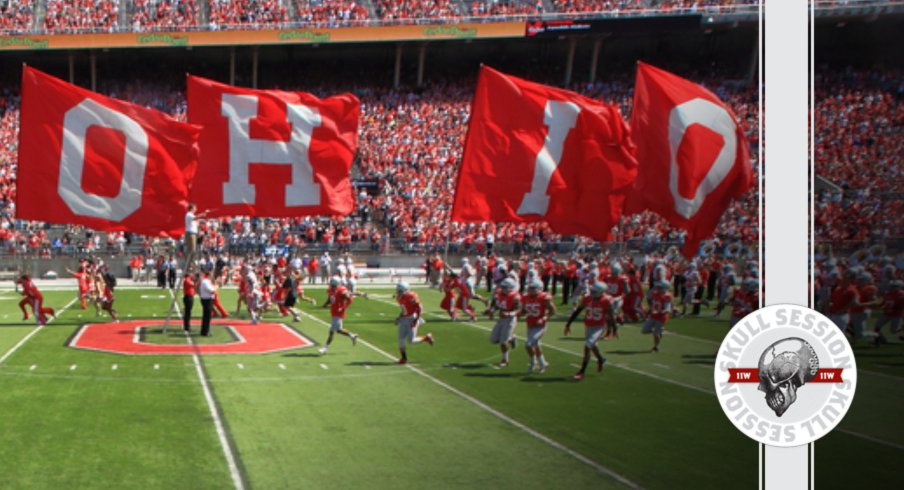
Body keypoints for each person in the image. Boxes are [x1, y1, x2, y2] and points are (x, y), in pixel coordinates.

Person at [564, 282, 615, 380]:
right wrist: (568, 324)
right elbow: (578, 311)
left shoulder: (606, 300)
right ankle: (601, 359)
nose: (592, 292)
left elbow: (611, 315)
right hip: (588, 325)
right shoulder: (587, 298)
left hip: (599, 326)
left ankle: (582, 371)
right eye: (592, 290)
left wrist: (613, 329)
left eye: (594, 291)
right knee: (593, 345)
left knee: (588, 345)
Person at [520, 279, 555, 373]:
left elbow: (553, 311)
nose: (530, 290)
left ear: (539, 288)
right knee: (536, 345)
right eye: (529, 288)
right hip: (530, 324)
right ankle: (543, 364)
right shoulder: (525, 297)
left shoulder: (543, 297)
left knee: (528, 344)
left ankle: (533, 362)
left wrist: (544, 318)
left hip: (540, 326)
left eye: (533, 288)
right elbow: (524, 311)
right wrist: (519, 314)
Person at [394, 282, 434, 364]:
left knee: (411, 341)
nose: (398, 292)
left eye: (400, 291)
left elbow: (419, 308)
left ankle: (426, 338)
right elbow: (404, 310)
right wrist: (399, 317)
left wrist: (416, 320)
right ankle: (404, 358)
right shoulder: (399, 298)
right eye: (398, 290)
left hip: (413, 318)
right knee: (400, 339)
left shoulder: (411, 296)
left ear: (405, 290)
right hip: (404, 319)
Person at [485, 278, 521, 367]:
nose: (503, 288)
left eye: (505, 287)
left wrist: (509, 313)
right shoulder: (498, 293)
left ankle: (505, 359)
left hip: (510, 319)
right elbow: (495, 304)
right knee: (493, 339)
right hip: (501, 318)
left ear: (511, 287)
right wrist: (491, 311)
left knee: (503, 342)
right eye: (503, 286)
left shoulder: (515, 296)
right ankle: (511, 338)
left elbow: (518, 309)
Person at [319, 276, 359, 355]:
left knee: (331, 332)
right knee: (339, 330)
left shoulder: (341, 290)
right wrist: (325, 304)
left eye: (334, 285)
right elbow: (330, 299)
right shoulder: (330, 290)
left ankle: (325, 348)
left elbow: (350, 299)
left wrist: (343, 307)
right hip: (334, 312)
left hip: (338, 313)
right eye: (332, 284)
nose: (332, 286)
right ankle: (352, 335)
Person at [643, 280, 673, 353]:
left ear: (665, 288)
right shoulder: (655, 293)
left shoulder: (667, 296)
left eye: (659, 287)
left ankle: (656, 347)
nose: (657, 288)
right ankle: (659, 332)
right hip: (653, 315)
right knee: (644, 330)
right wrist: (650, 309)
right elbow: (651, 300)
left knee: (656, 334)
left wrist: (660, 311)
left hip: (661, 317)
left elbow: (667, 309)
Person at [199, 270, 216, 337]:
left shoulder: (206, 281)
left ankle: (204, 330)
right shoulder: (205, 282)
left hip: (206, 299)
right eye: (211, 275)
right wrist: (215, 287)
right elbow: (212, 290)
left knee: (206, 316)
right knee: (207, 316)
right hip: (207, 300)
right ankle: (205, 331)